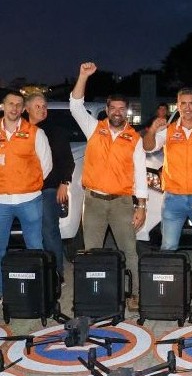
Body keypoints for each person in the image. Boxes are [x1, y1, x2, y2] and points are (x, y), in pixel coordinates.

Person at [70, 62, 148, 312]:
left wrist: (141, 206)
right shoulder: (94, 128)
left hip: (122, 203)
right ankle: (95, 295)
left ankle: (134, 294)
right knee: (92, 252)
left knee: (129, 251)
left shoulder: (134, 138)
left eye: (121, 109)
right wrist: (83, 76)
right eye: (113, 108)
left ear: (127, 111)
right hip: (93, 202)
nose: (117, 112)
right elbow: (75, 105)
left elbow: (140, 174)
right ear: (106, 110)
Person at [143, 88, 192, 255]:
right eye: (183, 103)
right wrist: (152, 130)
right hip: (172, 199)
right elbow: (148, 147)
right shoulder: (168, 130)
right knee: (168, 247)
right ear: (177, 106)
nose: (187, 107)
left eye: (191, 103)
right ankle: (169, 274)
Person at [0, 90, 52, 297]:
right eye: (10, 104)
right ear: (3, 106)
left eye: (18, 105)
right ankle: (3, 293)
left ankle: (35, 293)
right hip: (1, 202)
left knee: (35, 248)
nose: (14, 108)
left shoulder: (36, 133)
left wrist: (30, 183)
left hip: (30, 200)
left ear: (23, 109)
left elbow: (46, 166)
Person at [24, 93, 75, 284]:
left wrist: (64, 183)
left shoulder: (56, 131)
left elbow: (67, 161)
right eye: (37, 106)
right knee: (31, 233)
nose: (42, 110)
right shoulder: (19, 130)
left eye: (44, 106)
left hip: (49, 188)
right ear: (27, 109)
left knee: (49, 230)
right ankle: (35, 273)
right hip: (23, 190)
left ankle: (57, 274)